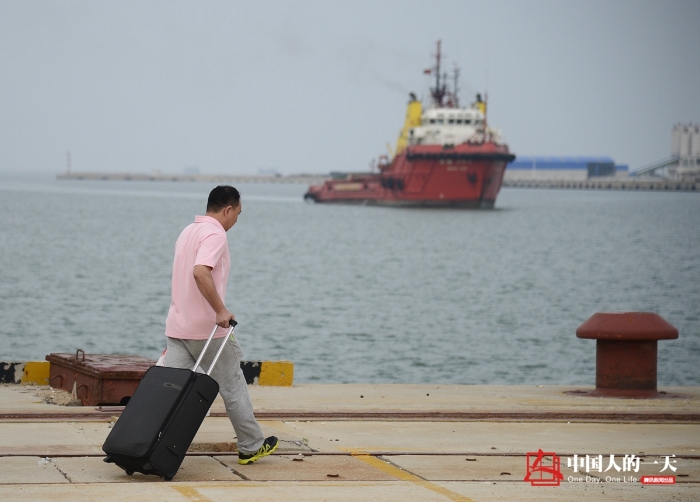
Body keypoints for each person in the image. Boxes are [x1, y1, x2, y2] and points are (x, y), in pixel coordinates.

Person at [163, 185, 277, 465]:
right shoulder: (215, 234)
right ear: (227, 210)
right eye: (238, 213)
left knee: (165, 390)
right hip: (207, 331)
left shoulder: (187, 231)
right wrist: (220, 310)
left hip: (178, 327)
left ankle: (144, 439)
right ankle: (251, 446)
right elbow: (200, 273)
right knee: (233, 386)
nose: (237, 219)